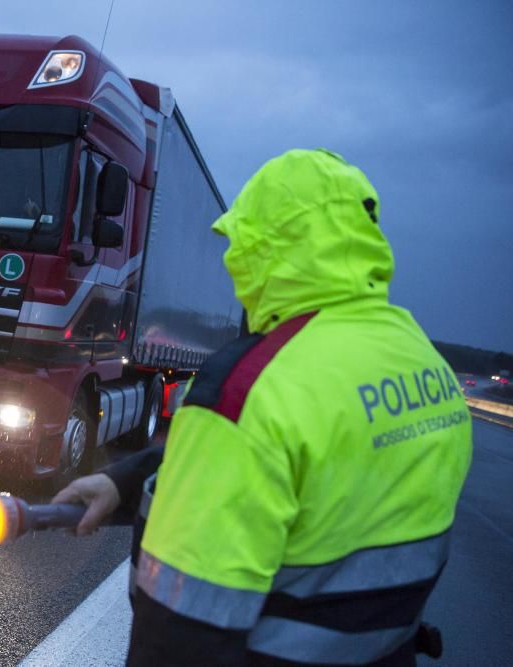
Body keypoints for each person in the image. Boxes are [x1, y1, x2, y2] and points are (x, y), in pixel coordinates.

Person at [53, 148, 472, 666]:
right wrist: (122, 482)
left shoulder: (251, 387)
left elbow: (182, 636)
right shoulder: (424, 363)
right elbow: (306, 462)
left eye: (242, 247)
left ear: (269, 250)